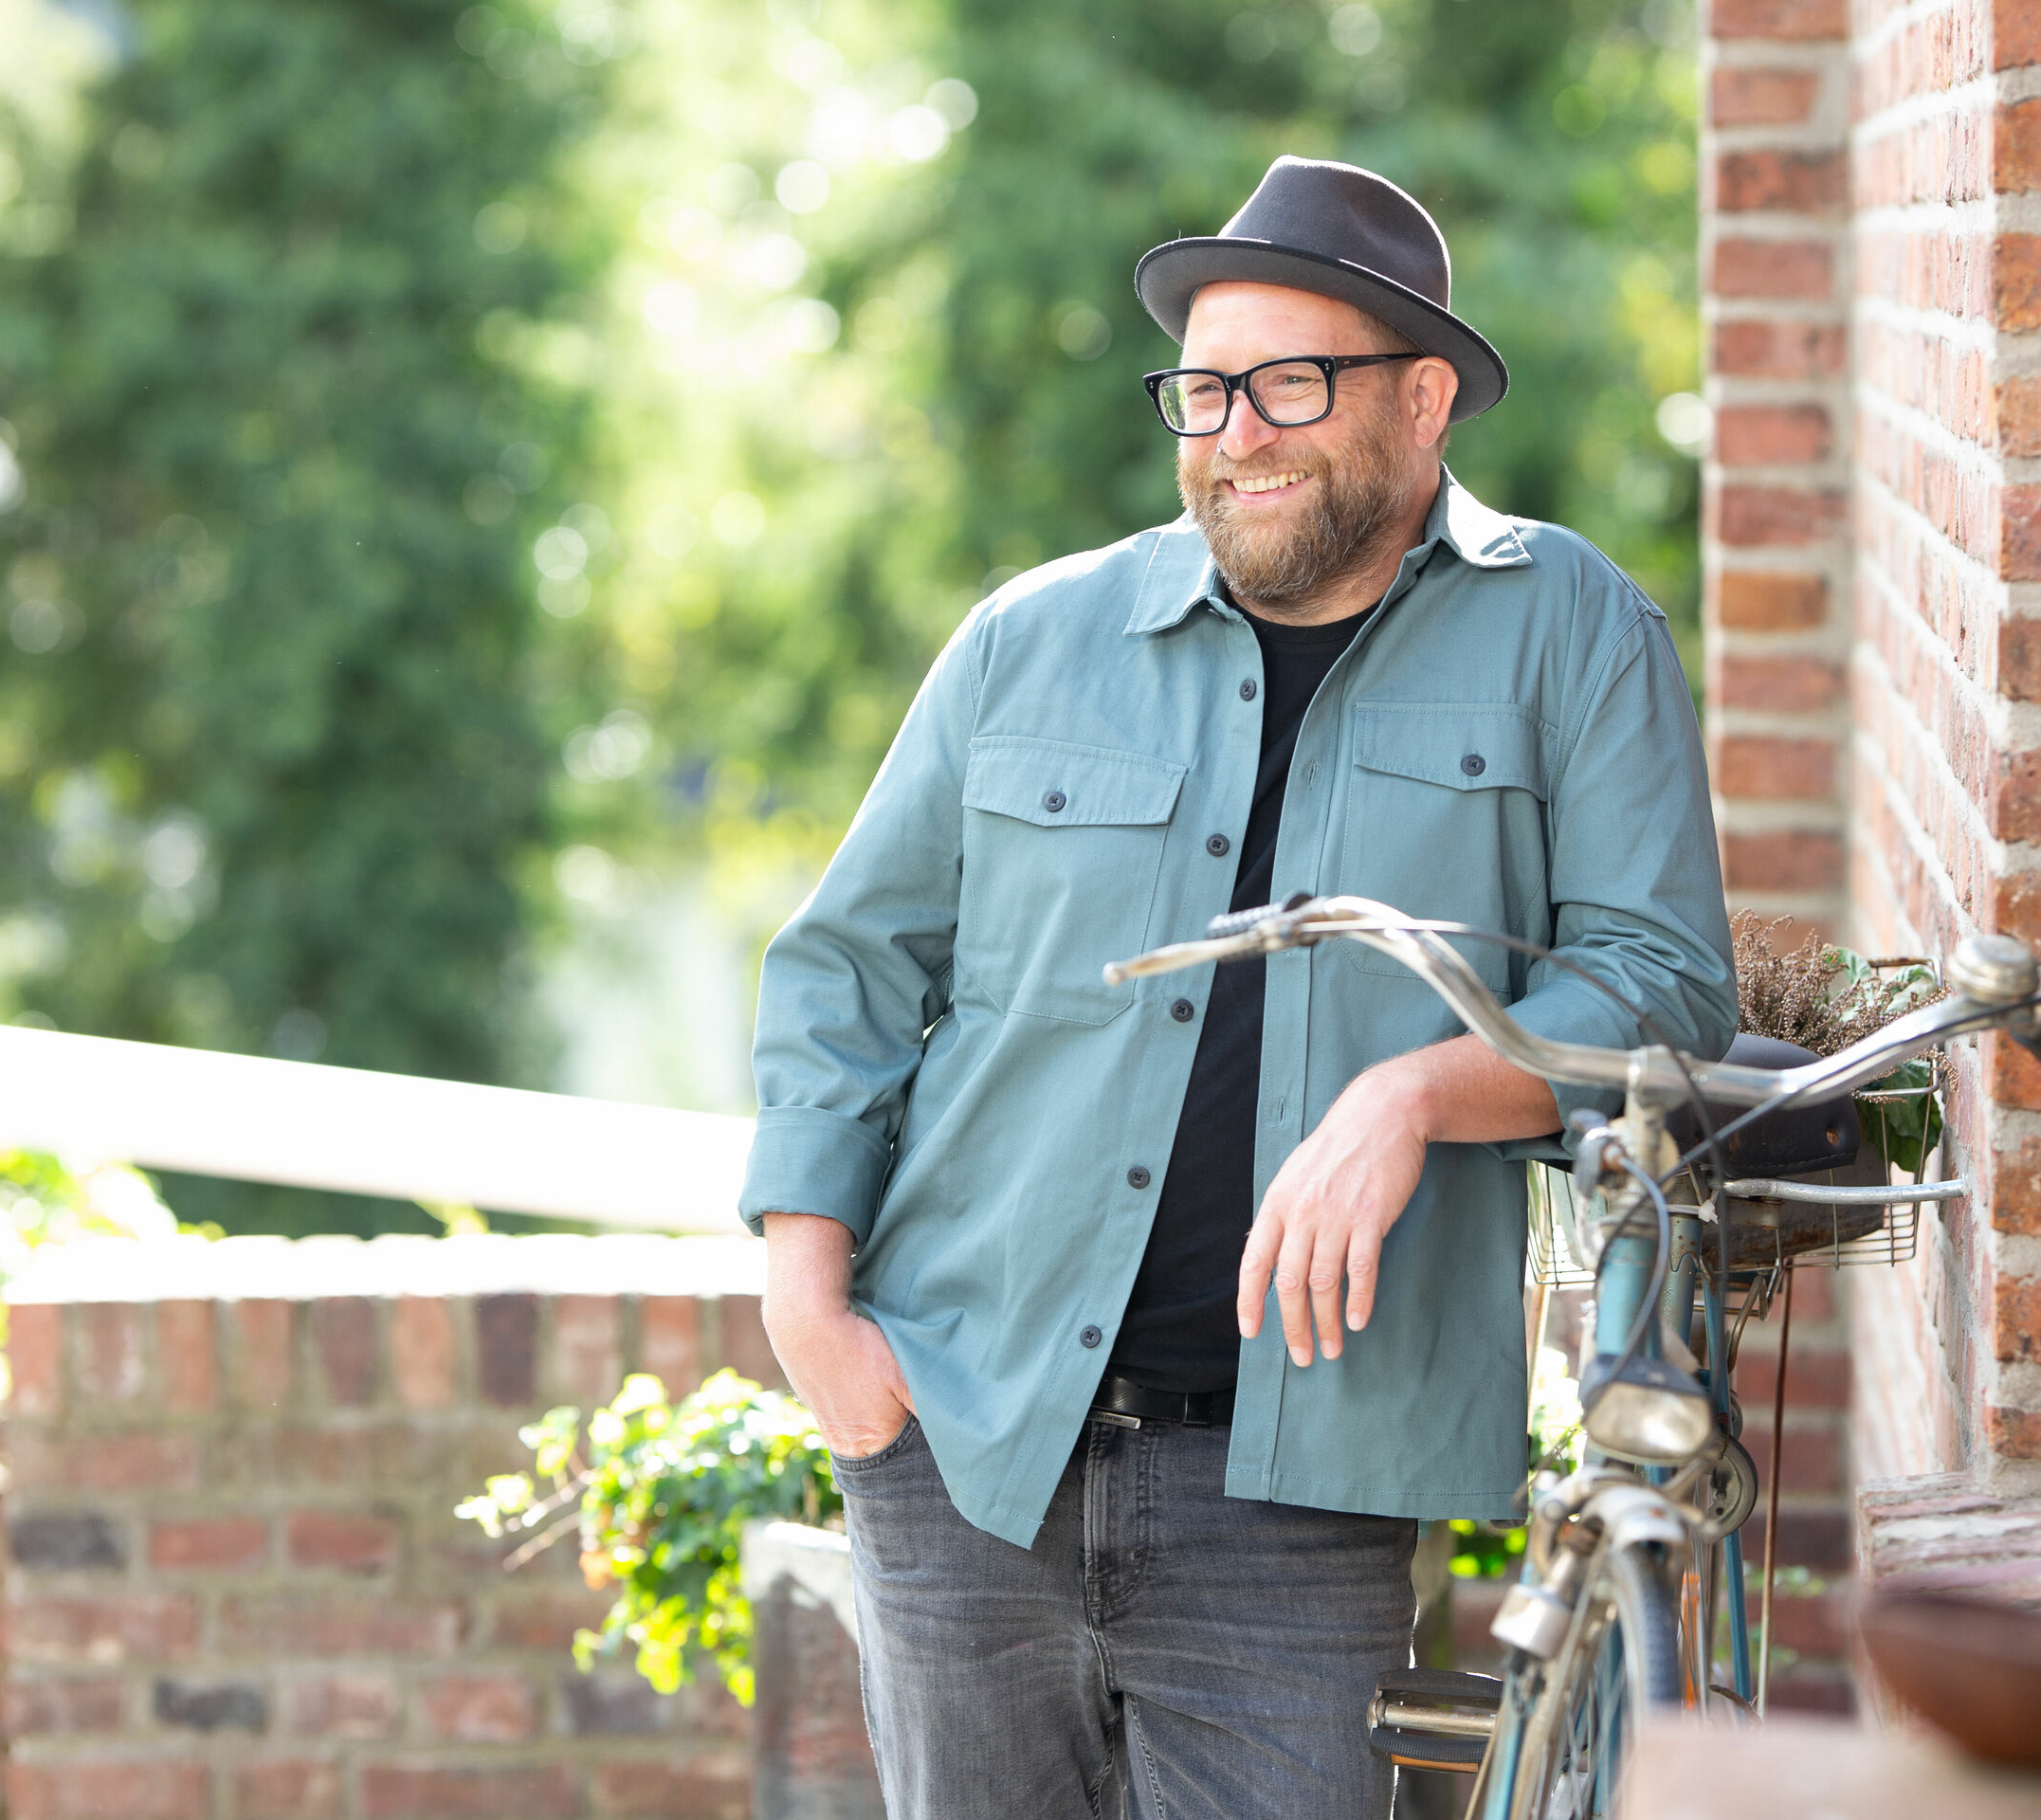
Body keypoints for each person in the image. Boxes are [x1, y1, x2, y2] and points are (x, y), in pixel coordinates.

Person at [743, 155, 1736, 1819]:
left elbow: (1663, 981)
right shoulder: (1031, 639)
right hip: (966, 1441)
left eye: (1289, 382)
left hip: (1303, 1482)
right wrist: (810, 1302)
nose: (1234, 431)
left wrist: (1422, 1087)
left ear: (1424, 402)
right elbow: (851, 966)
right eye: (1201, 390)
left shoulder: (1575, 630)